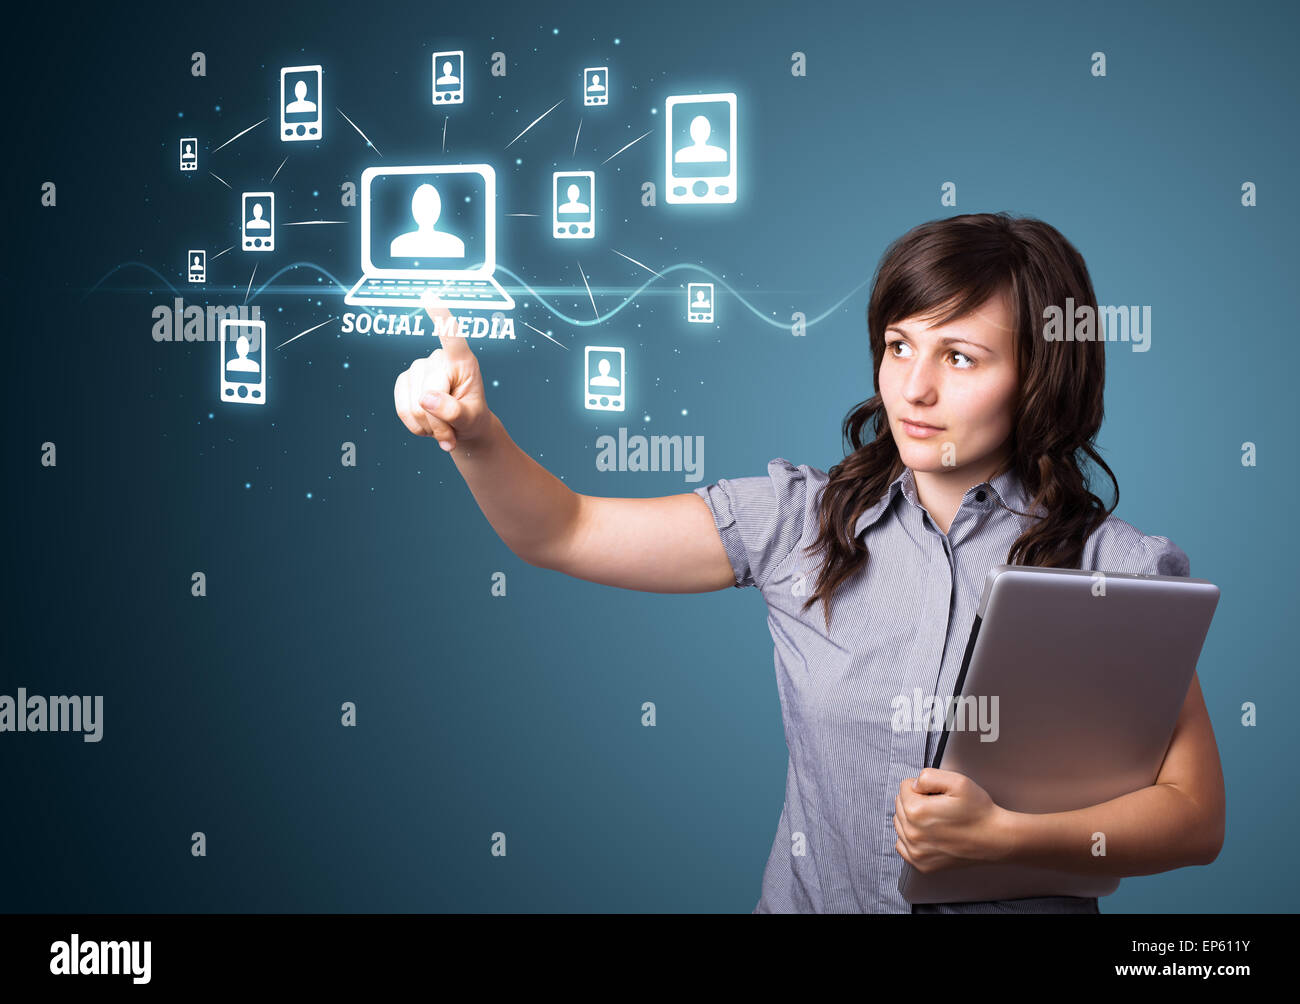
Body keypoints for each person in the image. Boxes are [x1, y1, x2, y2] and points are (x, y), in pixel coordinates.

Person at [392, 212, 1226, 914]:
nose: (913, 390)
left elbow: (1194, 817)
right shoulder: (800, 519)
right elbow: (561, 529)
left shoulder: (1110, 567)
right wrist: (476, 437)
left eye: (960, 357)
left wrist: (1007, 837)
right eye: (899, 347)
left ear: (1040, 375)